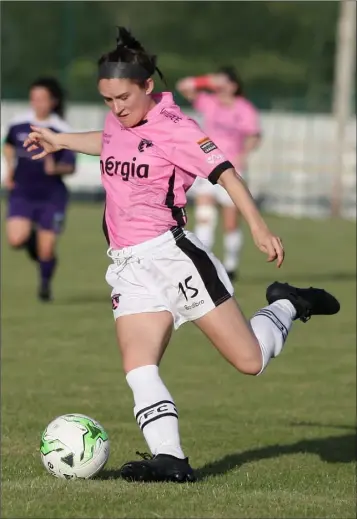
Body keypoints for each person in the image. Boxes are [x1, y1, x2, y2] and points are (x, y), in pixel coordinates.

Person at [24, 27, 340, 483]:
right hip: (129, 266)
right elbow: (111, 142)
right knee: (139, 367)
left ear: (148, 86)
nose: (116, 109)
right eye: (108, 99)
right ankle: (170, 459)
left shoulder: (178, 130)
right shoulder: (119, 121)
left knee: (250, 362)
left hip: (173, 258)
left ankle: (288, 302)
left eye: (123, 99)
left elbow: (227, 174)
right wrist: (62, 139)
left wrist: (258, 226)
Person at [176, 67, 261, 281]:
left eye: (224, 81)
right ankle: (204, 262)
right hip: (207, 165)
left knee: (231, 220)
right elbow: (184, 86)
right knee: (205, 215)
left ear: (234, 85)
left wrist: (244, 154)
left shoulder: (244, 108)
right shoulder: (210, 102)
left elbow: (254, 135)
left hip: (231, 168)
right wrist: (205, 80)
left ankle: (231, 266)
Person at [3, 77, 77, 302]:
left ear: (53, 101)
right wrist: (9, 169)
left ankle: (45, 287)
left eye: (43, 99)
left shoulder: (61, 130)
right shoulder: (18, 124)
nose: (38, 103)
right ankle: (35, 237)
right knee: (16, 240)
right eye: (34, 98)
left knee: (46, 251)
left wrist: (55, 168)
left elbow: (71, 166)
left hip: (51, 196)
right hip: (23, 192)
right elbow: (8, 145)